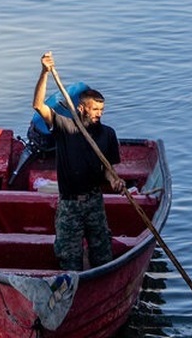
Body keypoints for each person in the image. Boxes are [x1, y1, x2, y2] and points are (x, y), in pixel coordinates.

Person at [33, 51, 124, 270]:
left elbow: (108, 168)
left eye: (102, 110)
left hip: (94, 202)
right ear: (82, 108)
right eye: (95, 109)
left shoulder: (107, 134)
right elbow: (38, 106)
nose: (99, 114)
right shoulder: (65, 126)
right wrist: (44, 73)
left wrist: (115, 181)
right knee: (69, 259)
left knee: (103, 257)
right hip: (70, 204)